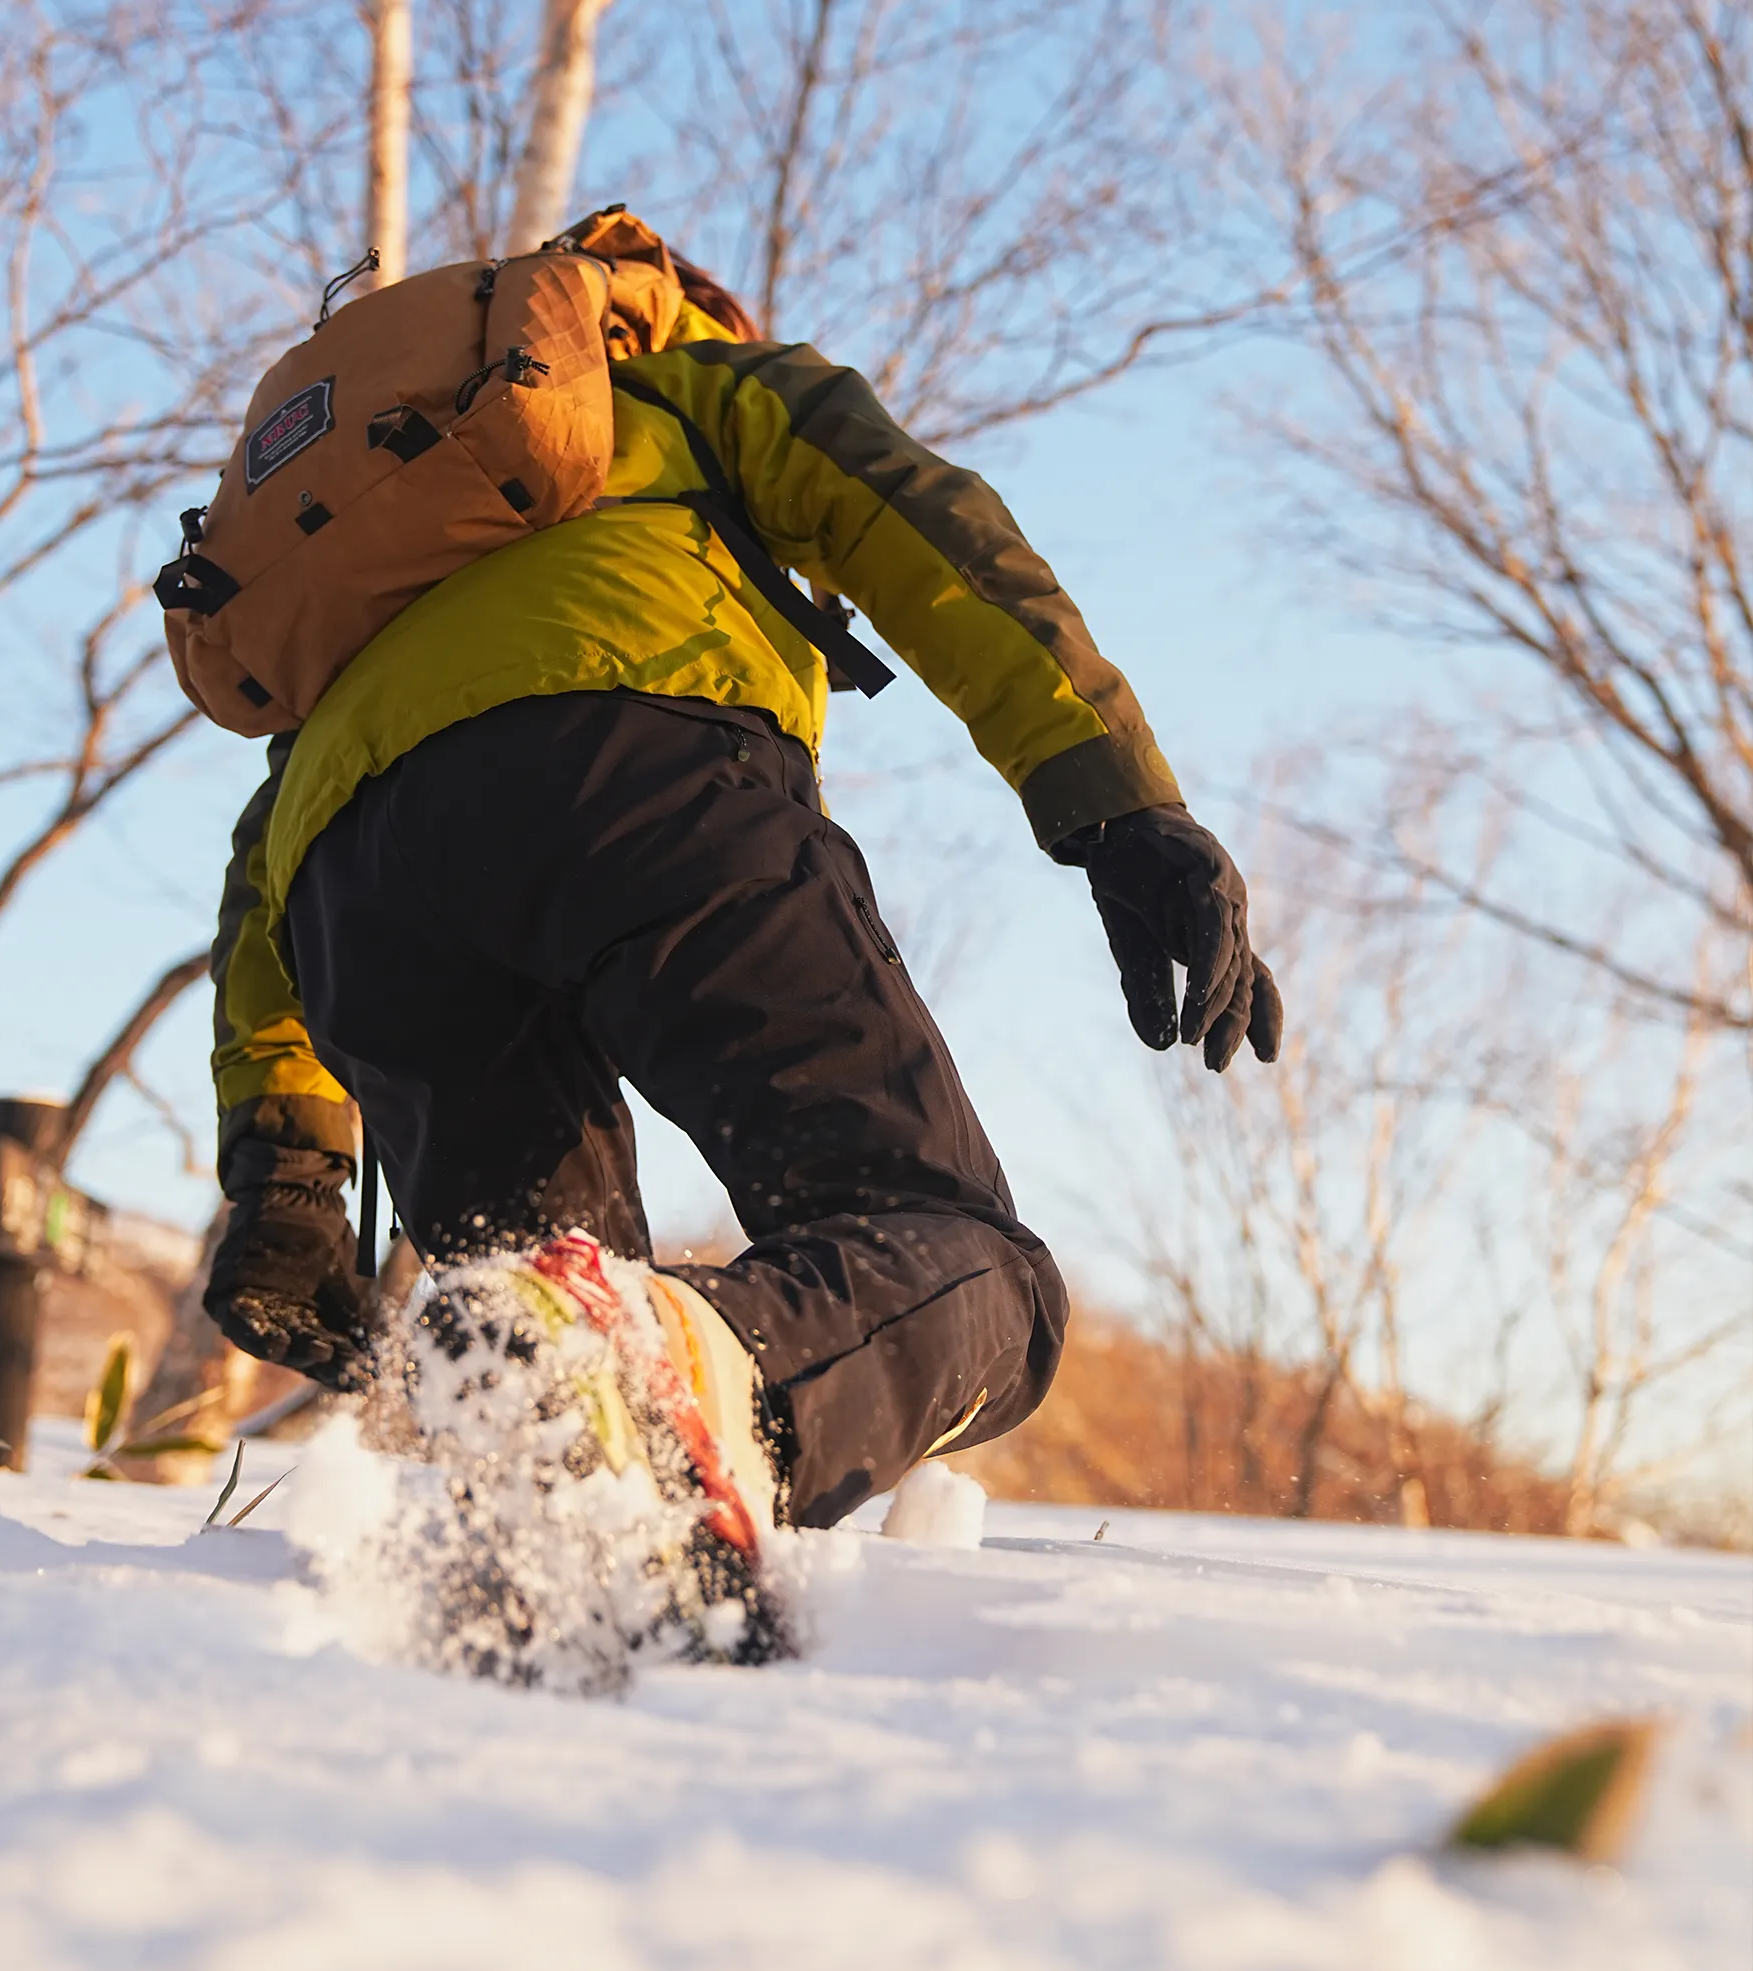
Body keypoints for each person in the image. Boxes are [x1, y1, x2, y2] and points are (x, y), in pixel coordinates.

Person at [202, 232, 1281, 1559]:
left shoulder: (374, 560)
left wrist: (289, 1170)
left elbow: (270, 855)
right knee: (957, 1255)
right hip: (638, 777)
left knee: (548, 1344)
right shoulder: (696, 389)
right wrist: (1118, 804)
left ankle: (580, 1624)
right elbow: (929, 529)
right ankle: (687, 1399)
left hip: (354, 904)